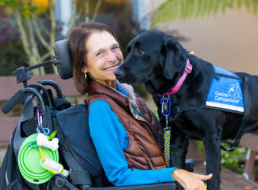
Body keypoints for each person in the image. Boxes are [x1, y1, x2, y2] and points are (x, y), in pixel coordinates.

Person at [67, 21, 212, 190]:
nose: (113, 58)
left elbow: (156, 140)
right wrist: (174, 173)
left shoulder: (126, 93)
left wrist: (180, 74)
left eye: (114, 48)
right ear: (83, 66)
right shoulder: (101, 109)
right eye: (99, 53)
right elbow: (120, 176)